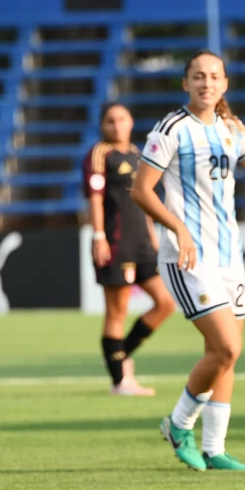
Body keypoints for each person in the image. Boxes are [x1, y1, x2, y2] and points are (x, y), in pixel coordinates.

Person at [131, 50, 245, 472]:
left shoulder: (232, 128)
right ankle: (179, 425)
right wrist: (177, 228)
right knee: (226, 346)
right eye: (198, 76)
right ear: (185, 84)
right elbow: (142, 190)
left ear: (225, 84)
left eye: (214, 76)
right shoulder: (171, 128)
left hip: (228, 257)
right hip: (188, 257)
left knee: (227, 355)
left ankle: (214, 448)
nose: (206, 83)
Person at [84, 103, 176, 396]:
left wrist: (152, 235)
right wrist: (98, 235)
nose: (116, 125)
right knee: (117, 312)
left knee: (165, 303)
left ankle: (119, 357)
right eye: (110, 120)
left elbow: (145, 198)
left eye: (121, 119)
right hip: (116, 242)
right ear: (103, 125)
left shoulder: (138, 154)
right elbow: (95, 199)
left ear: (131, 121)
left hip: (142, 243)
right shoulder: (100, 154)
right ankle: (119, 381)